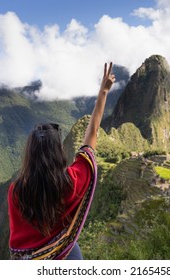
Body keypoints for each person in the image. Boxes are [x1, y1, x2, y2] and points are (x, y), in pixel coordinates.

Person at [7, 62, 115, 260]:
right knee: (74, 251)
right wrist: (103, 92)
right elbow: (91, 135)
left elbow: (17, 239)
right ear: (58, 152)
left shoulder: (16, 191)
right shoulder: (72, 182)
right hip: (66, 258)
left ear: (29, 153)